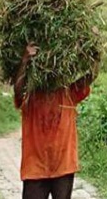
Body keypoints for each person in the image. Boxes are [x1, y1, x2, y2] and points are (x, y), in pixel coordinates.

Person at [14, 43, 94, 199]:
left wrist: (92, 51)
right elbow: (18, 91)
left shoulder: (67, 93)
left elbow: (90, 76)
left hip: (63, 166)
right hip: (35, 167)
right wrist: (25, 61)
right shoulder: (31, 96)